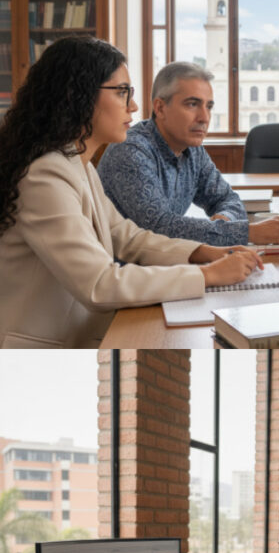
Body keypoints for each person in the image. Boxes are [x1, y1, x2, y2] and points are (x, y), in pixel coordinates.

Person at [0, 36, 261, 348]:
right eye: (122, 92)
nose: (134, 106)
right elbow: (99, 284)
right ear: (78, 95)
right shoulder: (46, 174)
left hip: (82, 331)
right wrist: (209, 275)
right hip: (40, 351)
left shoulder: (77, 164)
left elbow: (124, 234)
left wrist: (202, 253)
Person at [97, 61, 279, 246]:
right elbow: (159, 228)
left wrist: (224, 222)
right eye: (192, 104)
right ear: (160, 108)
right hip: (121, 275)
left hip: (161, 267)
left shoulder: (193, 150)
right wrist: (246, 233)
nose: (204, 117)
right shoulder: (131, 150)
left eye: (208, 106)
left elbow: (228, 199)